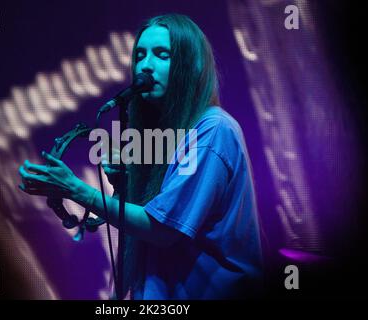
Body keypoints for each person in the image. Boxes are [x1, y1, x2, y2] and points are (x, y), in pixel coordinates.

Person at [19, 13, 263, 299]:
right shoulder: (163, 134)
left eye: (162, 55)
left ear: (192, 66)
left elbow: (162, 230)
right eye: (139, 55)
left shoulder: (214, 130)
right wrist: (126, 185)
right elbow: (148, 231)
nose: (145, 66)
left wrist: (75, 189)